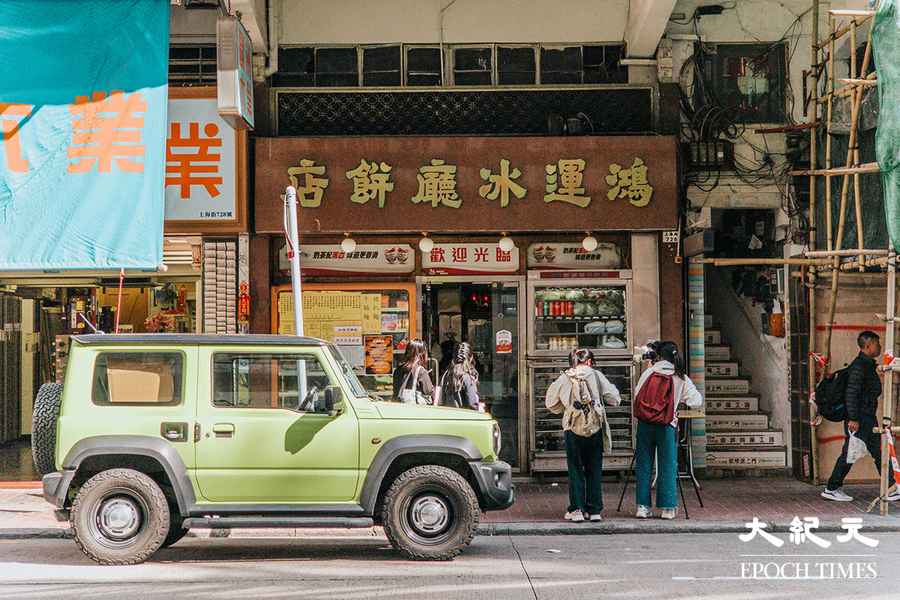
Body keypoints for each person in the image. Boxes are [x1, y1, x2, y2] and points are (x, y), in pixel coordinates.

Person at [822, 331, 900, 502]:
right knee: (850, 454)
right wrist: (853, 418)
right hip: (860, 419)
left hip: (866, 417)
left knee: (877, 452)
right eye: (877, 344)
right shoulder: (859, 367)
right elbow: (852, 393)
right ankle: (832, 487)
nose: (879, 347)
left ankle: (892, 486)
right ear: (868, 345)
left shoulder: (867, 365)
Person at [545, 348, 621, 522]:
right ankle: (594, 510)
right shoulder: (596, 375)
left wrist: (565, 408)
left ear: (573, 361)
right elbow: (615, 399)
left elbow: (550, 403)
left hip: (572, 428)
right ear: (589, 361)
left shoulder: (565, 377)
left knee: (575, 469)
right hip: (594, 428)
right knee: (594, 469)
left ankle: (577, 509)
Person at [632, 341, 702, 520]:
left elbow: (637, 395)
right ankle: (668, 508)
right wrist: (679, 401)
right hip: (667, 426)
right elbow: (696, 401)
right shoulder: (680, 376)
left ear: (659, 356)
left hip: (645, 425)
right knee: (668, 465)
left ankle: (642, 507)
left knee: (644, 464)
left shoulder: (649, 372)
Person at [438, 342, 482, 410]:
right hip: (464, 418)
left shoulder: (446, 374)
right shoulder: (467, 377)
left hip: (447, 416)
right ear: (471, 357)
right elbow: (472, 404)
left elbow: (441, 400)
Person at [393, 339, 434, 404]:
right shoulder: (421, 371)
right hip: (415, 409)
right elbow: (428, 391)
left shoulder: (397, 370)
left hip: (399, 407)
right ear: (422, 353)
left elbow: (395, 389)